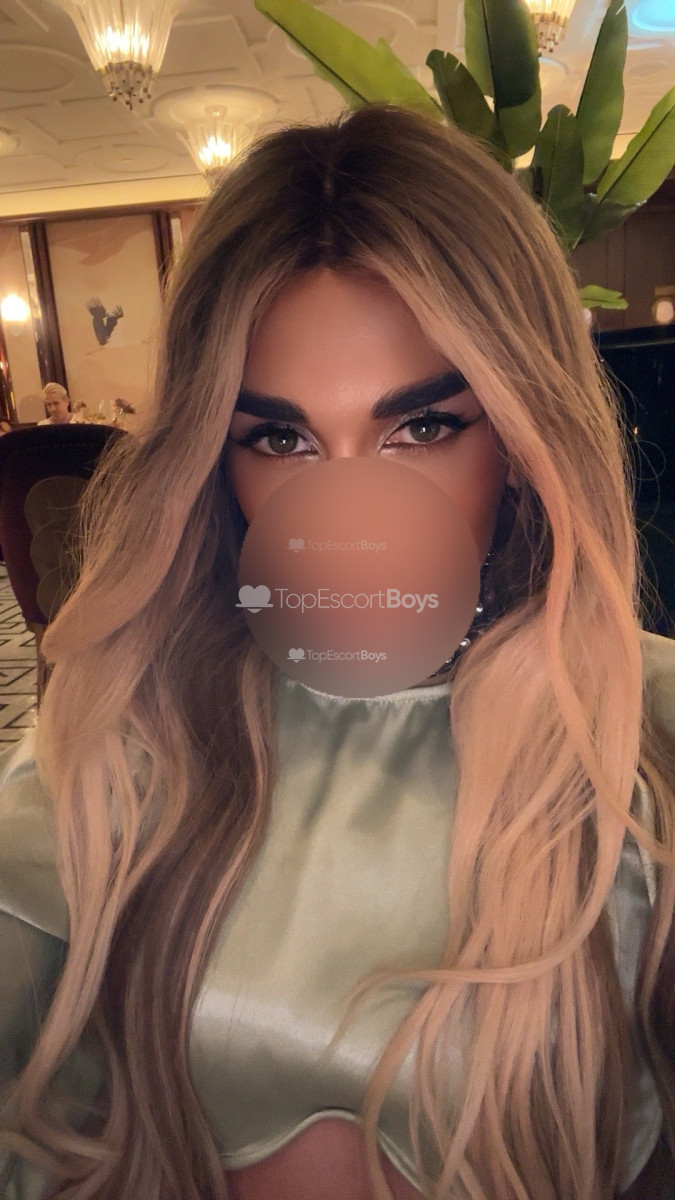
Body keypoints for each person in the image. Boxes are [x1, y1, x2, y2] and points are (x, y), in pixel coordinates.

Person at [0, 106, 673, 1200]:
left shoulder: (643, 725)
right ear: (217, 460)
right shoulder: (125, 723)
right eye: (281, 437)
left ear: (516, 440)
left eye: (421, 428)